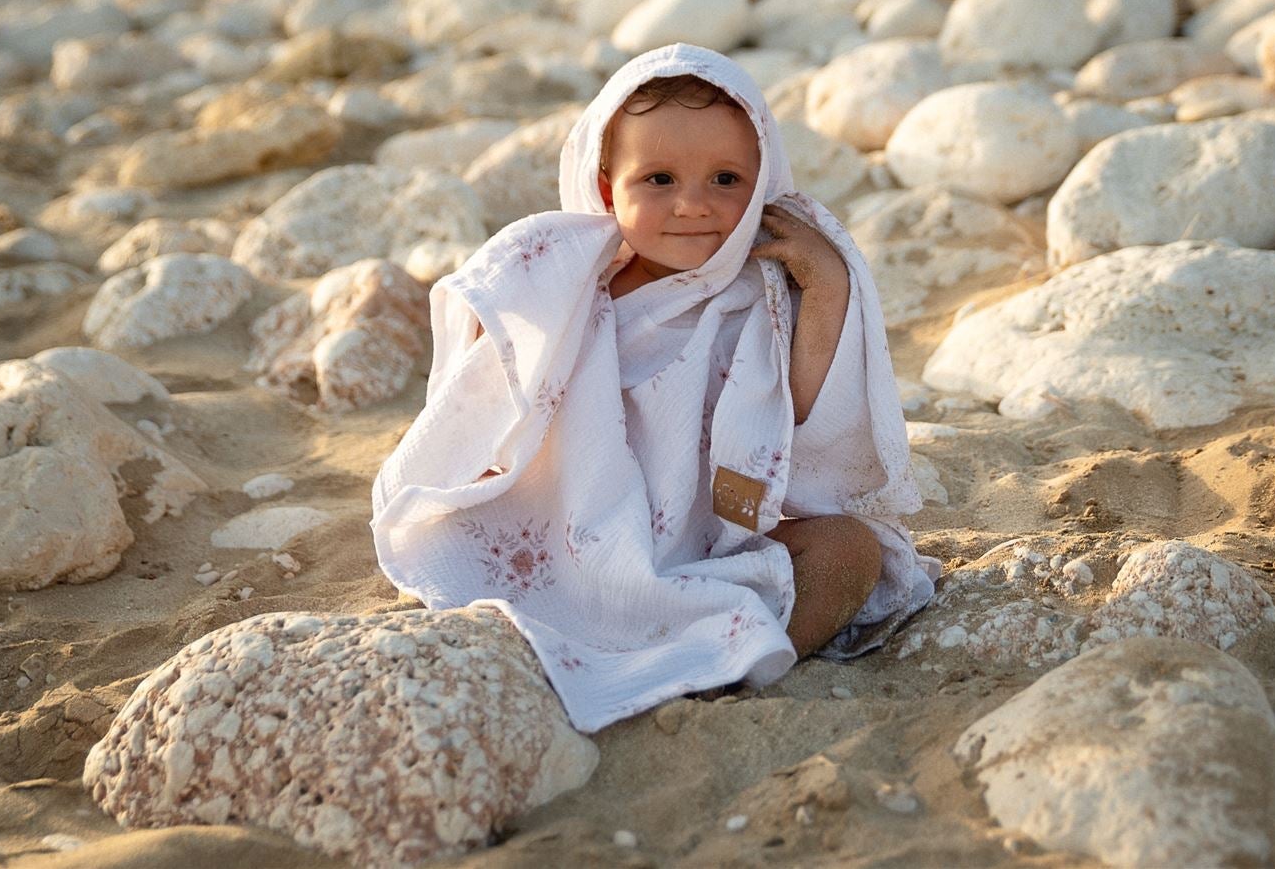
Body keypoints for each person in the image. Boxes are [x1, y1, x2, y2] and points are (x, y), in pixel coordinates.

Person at [371, 43, 936, 733]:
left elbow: (807, 420)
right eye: (660, 179)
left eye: (726, 179)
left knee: (852, 551)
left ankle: (728, 668)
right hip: (571, 535)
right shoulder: (569, 280)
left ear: (762, 185)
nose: (693, 205)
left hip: (705, 549)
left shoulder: (761, 298)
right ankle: (652, 642)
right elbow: (490, 374)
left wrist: (827, 290)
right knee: (471, 545)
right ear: (609, 190)